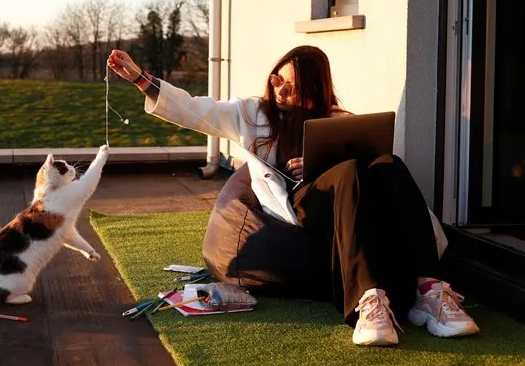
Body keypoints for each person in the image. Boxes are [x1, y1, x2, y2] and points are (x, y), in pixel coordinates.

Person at [107, 45, 479, 346]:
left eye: (294, 87)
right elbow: (193, 109)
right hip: (296, 208)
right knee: (349, 171)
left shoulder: (335, 119)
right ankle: (368, 303)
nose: (281, 90)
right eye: (278, 80)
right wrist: (141, 79)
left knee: (389, 164)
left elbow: (367, 178)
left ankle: (429, 292)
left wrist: (320, 166)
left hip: (342, 201)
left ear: (315, 92)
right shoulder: (249, 114)